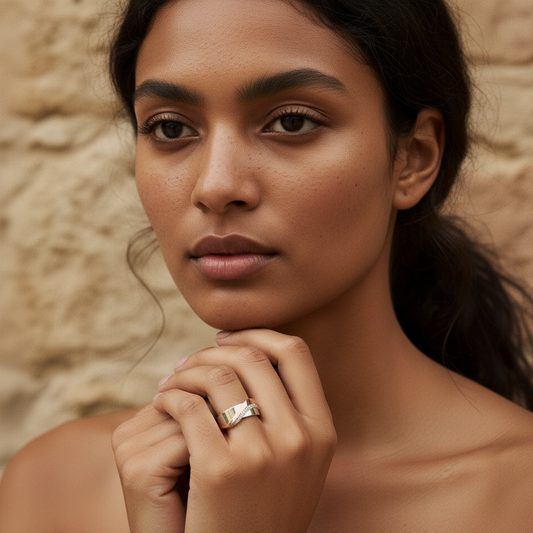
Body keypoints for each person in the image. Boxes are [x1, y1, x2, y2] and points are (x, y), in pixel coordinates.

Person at [1, 0, 533, 531]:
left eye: (292, 122)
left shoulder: (516, 492)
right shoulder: (56, 485)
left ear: (413, 156)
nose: (216, 186)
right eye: (169, 129)